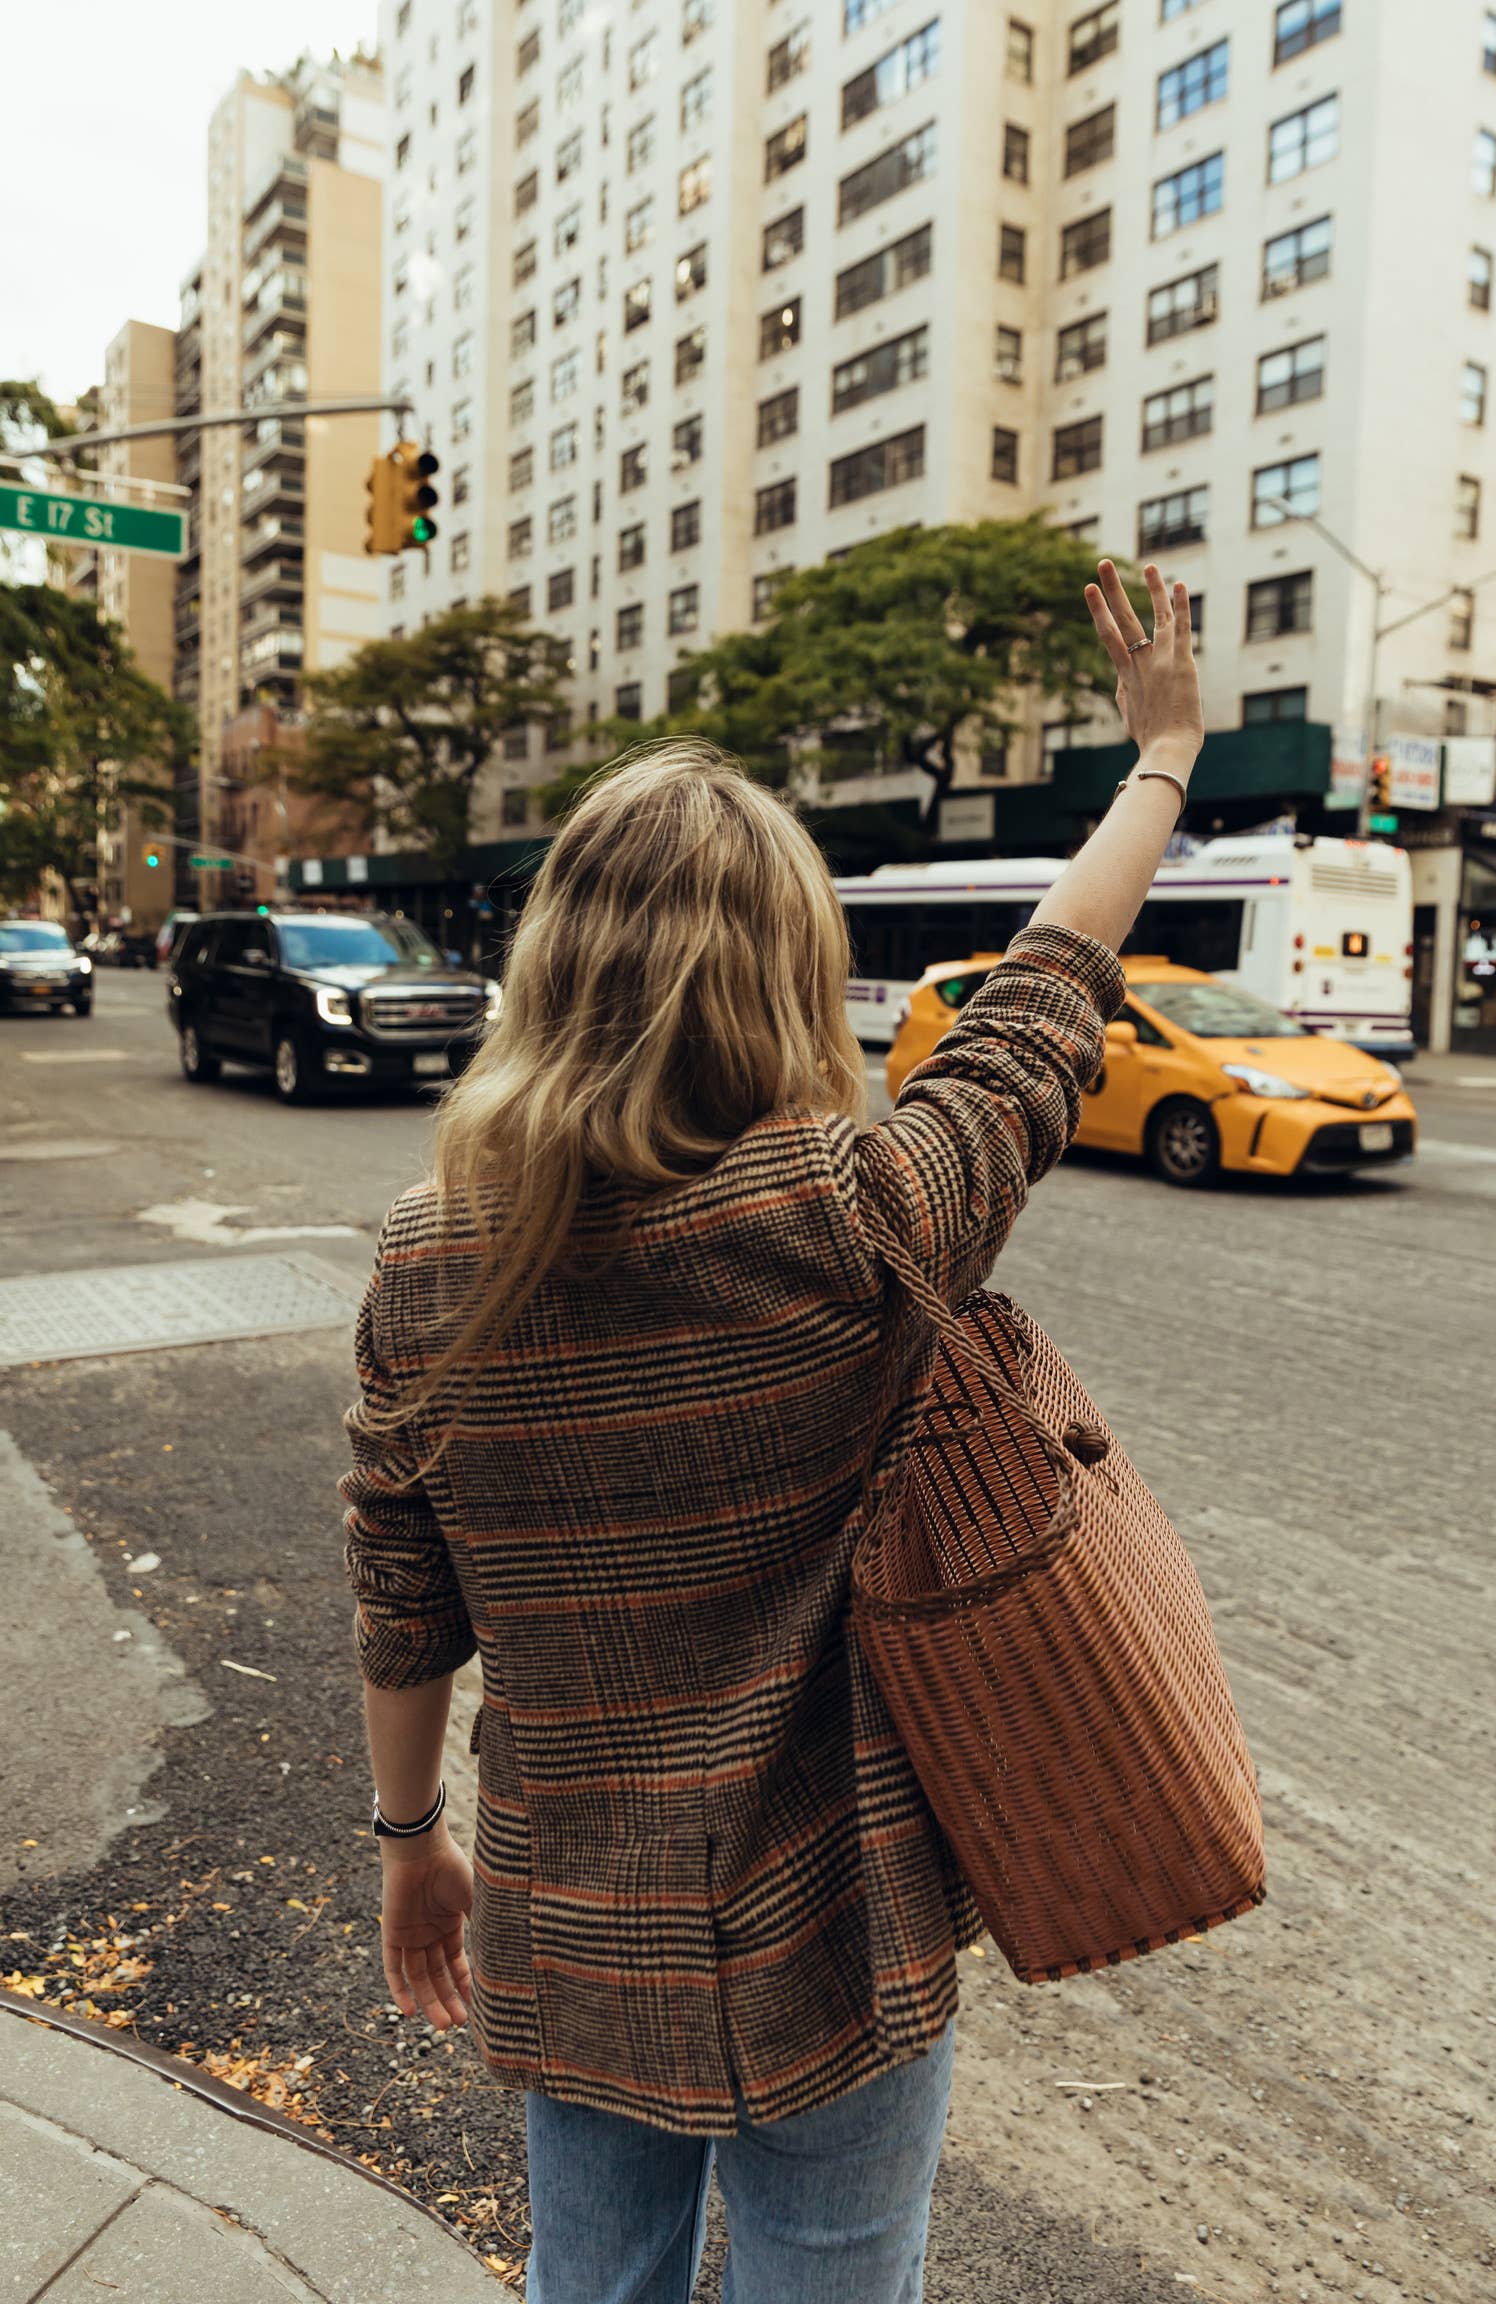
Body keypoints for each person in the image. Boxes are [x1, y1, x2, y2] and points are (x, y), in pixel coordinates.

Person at [341, 561, 1203, 2302]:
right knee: (833, 2272)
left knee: (594, 2276)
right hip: (841, 1923)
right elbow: (1040, 1009)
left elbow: (399, 1588)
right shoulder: (857, 1211)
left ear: (551, 964)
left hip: (575, 1919)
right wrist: (1161, 756)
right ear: (793, 967)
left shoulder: (431, 1262)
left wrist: (410, 1840)